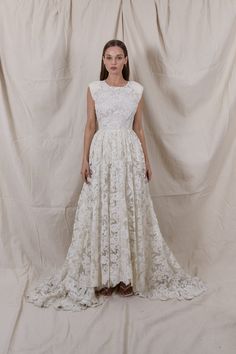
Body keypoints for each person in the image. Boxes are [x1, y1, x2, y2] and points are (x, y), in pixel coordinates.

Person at [25, 39, 207, 312]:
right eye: (108, 57)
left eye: (118, 57)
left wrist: (146, 159)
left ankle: (126, 276)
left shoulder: (136, 90)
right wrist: (84, 158)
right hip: (102, 153)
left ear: (125, 61)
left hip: (128, 154)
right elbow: (89, 126)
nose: (113, 62)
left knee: (127, 209)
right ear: (103, 60)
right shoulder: (94, 89)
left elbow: (140, 128)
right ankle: (103, 276)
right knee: (102, 211)